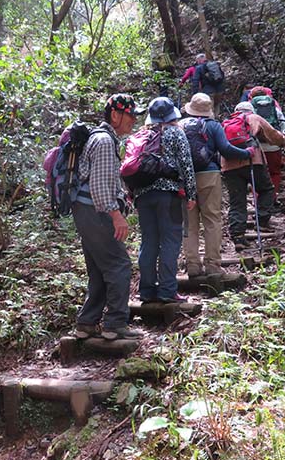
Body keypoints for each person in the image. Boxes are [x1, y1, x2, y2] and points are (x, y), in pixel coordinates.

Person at [72, 94, 144, 341]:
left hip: (86, 212)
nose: (134, 120)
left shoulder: (101, 139)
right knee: (119, 265)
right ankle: (115, 323)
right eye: (131, 115)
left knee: (99, 267)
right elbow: (101, 188)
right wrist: (117, 216)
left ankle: (87, 323)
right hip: (96, 212)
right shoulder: (103, 142)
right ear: (115, 115)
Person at [180, 93, 254, 276]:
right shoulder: (213, 126)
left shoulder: (179, 126)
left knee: (189, 223)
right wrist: (247, 153)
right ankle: (212, 265)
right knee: (212, 219)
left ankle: (192, 265)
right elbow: (226, 150)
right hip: (209, 175)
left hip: (183, 177)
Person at [132, 97, 197, 303]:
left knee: (149, 241)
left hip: (143, 196)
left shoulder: (141, 135)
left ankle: (147, 290)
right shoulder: (176, 133)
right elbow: (187, 164)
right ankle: (168, 290)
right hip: (169, 195)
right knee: (170, 241)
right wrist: (191, 193)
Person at [221, 101, 285, 251]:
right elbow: (273, 135)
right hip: (253, 161)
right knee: (266, 189)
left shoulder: (225, 123)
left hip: (228, 165)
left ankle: (238, 236)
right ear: (251, 110)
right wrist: (283, 140)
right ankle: (262, 220)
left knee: (237, 201)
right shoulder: (253, 118)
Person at [248, 85, 285, 199]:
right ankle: (273, 197)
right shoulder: (274, 108)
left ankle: (258, 199)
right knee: (274, 172)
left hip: (257, 146)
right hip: (274, 146)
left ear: (251, 97)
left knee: (257, 175)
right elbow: (283, 125)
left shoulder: (249, 110)